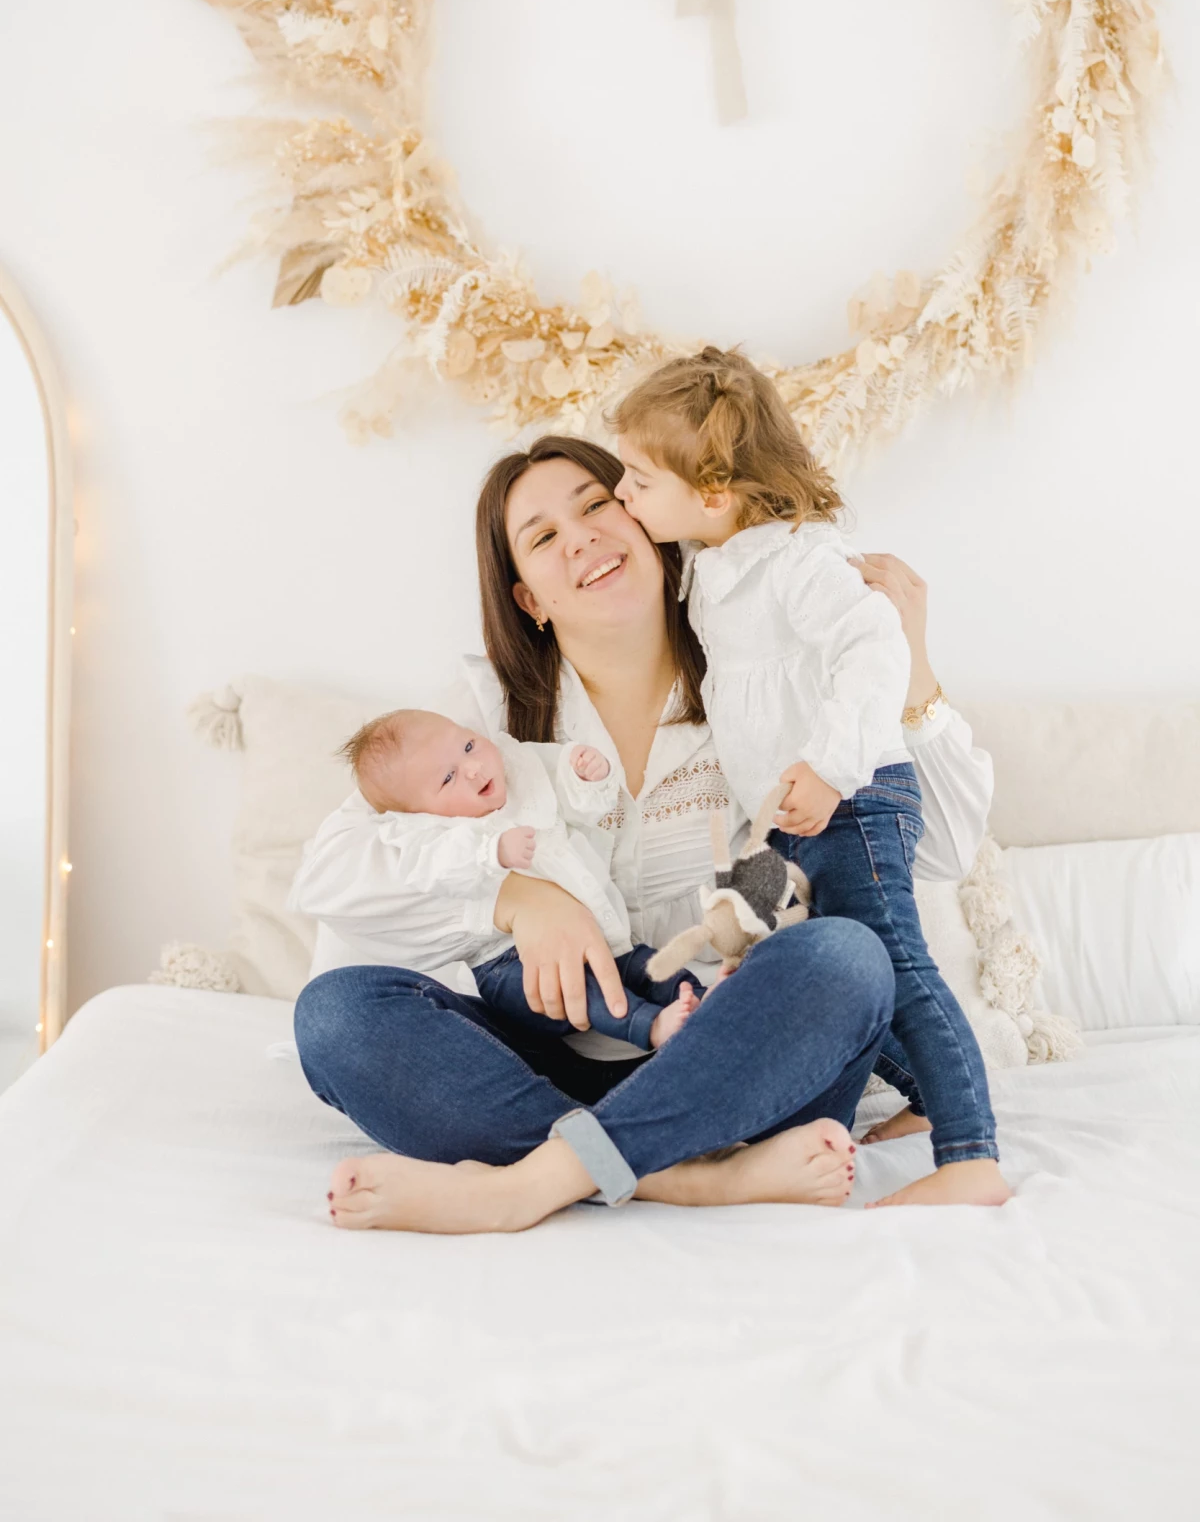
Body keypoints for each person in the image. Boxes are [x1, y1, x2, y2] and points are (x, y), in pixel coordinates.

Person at [293, 434, 995, 1232]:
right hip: (544, 1068)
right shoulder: (481, 714)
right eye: (543, 537)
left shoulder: (767, 675)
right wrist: (515, 900)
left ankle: (538, 1181)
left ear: (648, 525)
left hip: (735, 1066)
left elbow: (942, 850)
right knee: (335, 1015)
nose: (581, 538)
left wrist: (911, 668)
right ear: (529, 599)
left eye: (597, 505)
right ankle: (686, 1179)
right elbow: (331, 874)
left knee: (847, 957)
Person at [611, 347, 1009, 1207]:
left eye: (638, 479)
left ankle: (972, 1155)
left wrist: (830, 766)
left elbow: (874, 648)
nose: (621, 493)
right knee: (832, 978)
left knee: (895, 964)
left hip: (855, 796)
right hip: (799, 814)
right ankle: (924, 1095)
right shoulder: (714, 567)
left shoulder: (797, 561)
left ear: (713, 493)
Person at [290, 706, 701, 1052]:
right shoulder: (429, 835)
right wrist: (493, 853)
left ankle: (701, 999)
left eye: (469, 745)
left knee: (650, 965)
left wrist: (583, 773)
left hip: (598, 937)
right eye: (448, 778)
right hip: (510, 965)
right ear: (419, 813)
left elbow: (563, 783)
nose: (472, 768)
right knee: (590, 994)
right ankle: (649, 1027)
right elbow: (438, 868)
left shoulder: (514, 767)